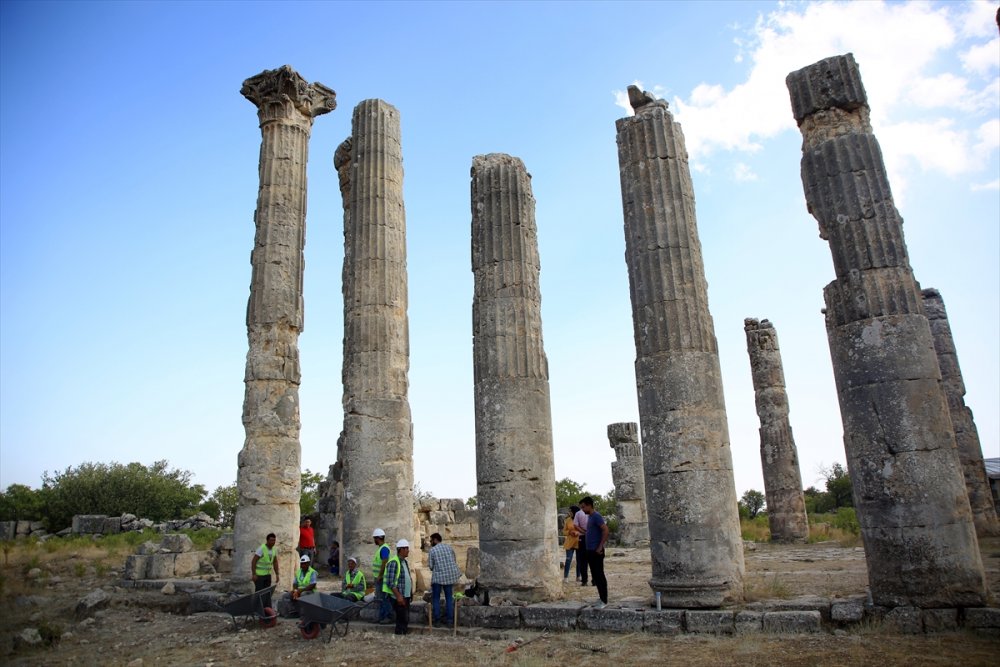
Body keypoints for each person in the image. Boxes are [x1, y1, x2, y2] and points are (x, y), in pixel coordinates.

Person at [580, 496, 609, 608]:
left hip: (596, 551)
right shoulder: (591, 517)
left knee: (599, 575)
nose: (582, 509)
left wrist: (600, 546)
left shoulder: (596, 516)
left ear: (589, 505)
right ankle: (601, 597)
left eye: (583, 507)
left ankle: (604, 600)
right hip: (590, 551)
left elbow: (605, 530)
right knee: (595, 576)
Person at [427, 532, 461, 626]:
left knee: (436, 598)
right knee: (449, 598)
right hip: (449, 577)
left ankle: (437, 620)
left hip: (438, 578)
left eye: (431, 540)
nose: (430, 542)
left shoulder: (432, 550)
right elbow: (454, 560)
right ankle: (450, 621)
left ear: (435, 540)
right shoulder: (449, 547)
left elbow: (430, 566)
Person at [383, 539, 413, 635]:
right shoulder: (394, 562)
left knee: (405, 617)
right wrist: (399, 596)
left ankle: (403, 633)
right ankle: (399, 634)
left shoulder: (405, 562)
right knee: (401, 617)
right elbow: (390, 582)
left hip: (406, 594)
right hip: (399, 595)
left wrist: (410, 593)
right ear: (401, 549)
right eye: (406, 548)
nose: (408, 550)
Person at [251, 532, 280, 609]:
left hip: (267, 575)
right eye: (271, 540)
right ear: (267, 540)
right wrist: (254, 574)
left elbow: (275, 562)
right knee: (259, 593)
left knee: (267, 594)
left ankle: (265, 609)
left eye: (274, 540)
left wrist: (277, 574)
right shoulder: (262, 548)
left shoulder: (274, 550)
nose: (273, 542)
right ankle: (257, 609)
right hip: (259, 575)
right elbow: (254, 561)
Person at [372, 528, 393, 624]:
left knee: (384, 598)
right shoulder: (382, 548)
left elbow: (384, 561)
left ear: (377, 538)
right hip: (380, 577)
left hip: (382, 578)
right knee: (381, 598)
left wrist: (380, 575)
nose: (374, 541)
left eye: (374, 538)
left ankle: (388, 616)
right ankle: (381, 616)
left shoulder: (384, 548)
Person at [562, 505, 581, 581]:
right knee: (568, 559)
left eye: (570, 511)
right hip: (569, 542)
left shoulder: (580, 519)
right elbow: (564, 531)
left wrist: (577, 532)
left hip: (578, 542)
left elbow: (584, 529)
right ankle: (566, 577)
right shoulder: (568, 520)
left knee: (579, 560)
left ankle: (578, 577)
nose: (569, 512)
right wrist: (569, 532)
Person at [574, 503, 590, 585]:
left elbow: (576, 525)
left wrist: (583, 531)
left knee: (583, 560)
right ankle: (594, 581)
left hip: (582, 538)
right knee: (592, 559)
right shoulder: (592, 513)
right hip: (591, 537)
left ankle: (584, 581)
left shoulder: (578, 513)